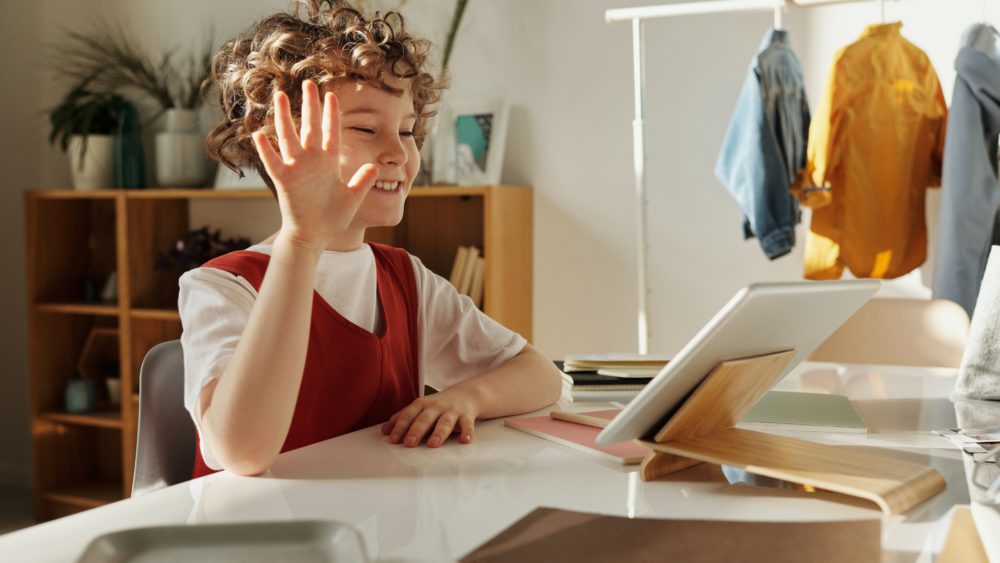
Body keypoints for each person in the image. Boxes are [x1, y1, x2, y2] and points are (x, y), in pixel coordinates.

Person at [181, 0, 563, 477]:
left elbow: (543, 376)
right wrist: (303, 241)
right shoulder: (221, 288)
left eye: (407, 130)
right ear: (281, 145)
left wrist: (467, 396)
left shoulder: (406, 279)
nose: (398, 153)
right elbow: (243, 451)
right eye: (365, 128)